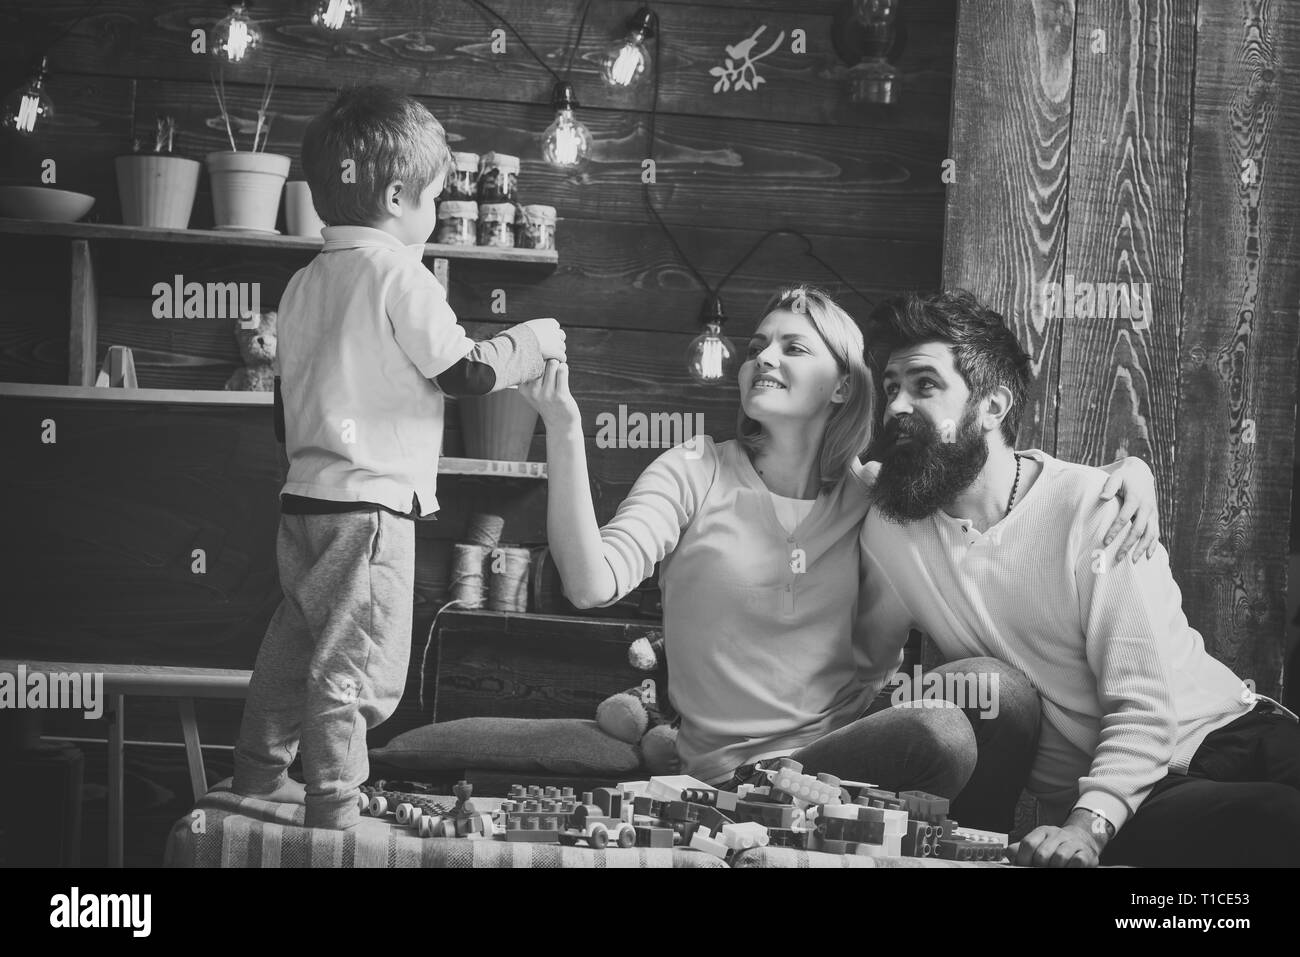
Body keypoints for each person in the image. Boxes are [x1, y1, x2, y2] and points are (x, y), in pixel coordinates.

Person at [519, 284, 1157, 831]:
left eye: (793, 347)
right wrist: (565, 429)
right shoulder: (692, 470)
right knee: (937, 733)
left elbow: (984, 468)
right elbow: (588, 583)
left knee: (991, 696)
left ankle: (967, 857)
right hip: (731, 777)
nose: (764, 356)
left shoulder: (878, 497)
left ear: (842, 387)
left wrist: (1125, 474)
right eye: (756, 348)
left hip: (846, 758)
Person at [856, 289, 1300, 866]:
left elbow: (1142, 700)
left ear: (992, 407)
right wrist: (1090, 826)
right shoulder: (890, 523)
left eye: (924, 385)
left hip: (1232, 729)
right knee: (1281, 824)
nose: (895, 407)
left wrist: (1087, 827)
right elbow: (819, 463)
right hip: (1142, 793)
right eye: (891, 388)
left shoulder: (1094, 505)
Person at [232, 86, 566, 829]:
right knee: (357, 658)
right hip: (374, 506)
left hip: (305, 499)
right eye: (435, 199)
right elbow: (467, 372)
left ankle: (258, 772)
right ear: (393, 196)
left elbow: (284, 410)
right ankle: (335, 801)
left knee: (293, 642)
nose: (436, 214)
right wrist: (533, 340)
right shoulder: (400, 275)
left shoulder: (301, 284)